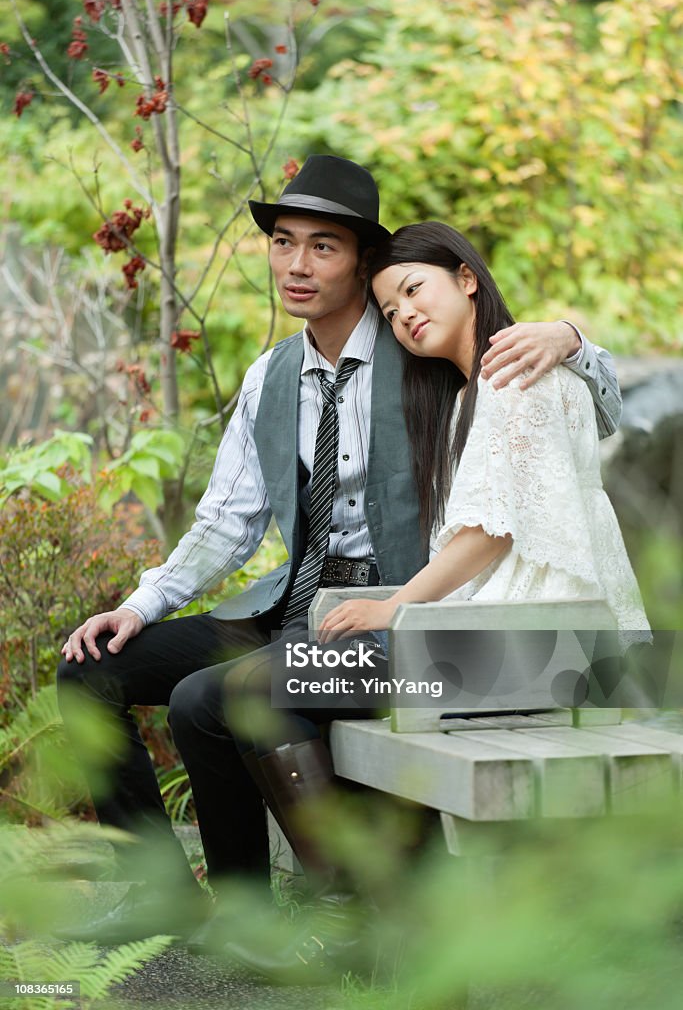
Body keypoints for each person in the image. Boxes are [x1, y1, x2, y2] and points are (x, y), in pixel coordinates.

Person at [55, 158, 621, 971]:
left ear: (363, 260)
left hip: (400, 613)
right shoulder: (270, 375)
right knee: (92, 670)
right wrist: (142, 604)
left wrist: (570, 336)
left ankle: (301, 912)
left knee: (202, 701)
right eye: (284, 244)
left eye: (323, 247)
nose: (296, 264)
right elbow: (228, 519)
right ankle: (161, 891)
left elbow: (564, 405)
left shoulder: (422, 342)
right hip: (297, 607)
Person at [319, 222, 650, 649]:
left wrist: (392, 608)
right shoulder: (466, 396)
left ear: (467, 278)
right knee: (294, 680)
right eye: (391, 314)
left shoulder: (513, 374)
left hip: (536, 632)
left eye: (413, 289)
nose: (405, 315)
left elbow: (489, 531)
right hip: (523, 623)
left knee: (288, 682)